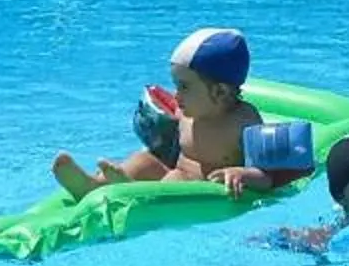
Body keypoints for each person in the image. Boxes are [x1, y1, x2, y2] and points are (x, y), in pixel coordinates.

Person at [52, 29, 309, 200]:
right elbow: (167, 148)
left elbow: (269, 177)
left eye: (184, 87)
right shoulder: (188, 111)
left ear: (219, 92)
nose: (177, 96)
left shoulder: (243, 122)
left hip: (201, 191)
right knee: (143, 160)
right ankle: (94, 186)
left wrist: (243, 175)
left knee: (175, 181)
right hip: (175, 174)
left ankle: (127, 193)